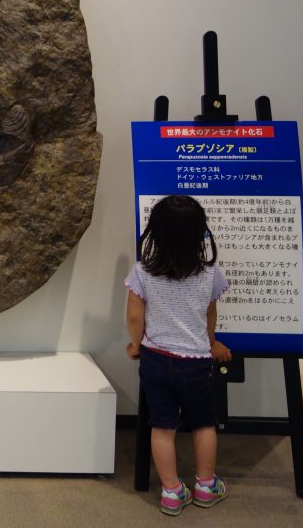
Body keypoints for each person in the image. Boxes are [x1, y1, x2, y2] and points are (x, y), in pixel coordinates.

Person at [125, 195, 233, 516]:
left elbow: (134, 316)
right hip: (196, 363)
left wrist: (135, 345)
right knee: (203, 424)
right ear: (200, 234)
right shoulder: (209, 274)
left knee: (162, 427)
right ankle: (206, 485)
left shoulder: (142, 272)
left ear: (154, 233)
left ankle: (171, 491)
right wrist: (212, 342)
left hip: (156, 360)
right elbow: (210, 315)